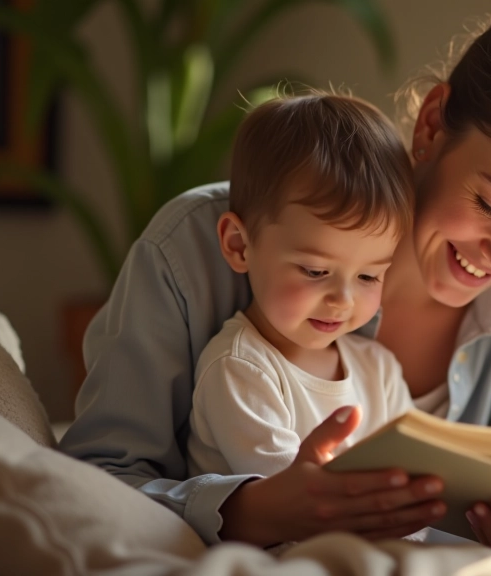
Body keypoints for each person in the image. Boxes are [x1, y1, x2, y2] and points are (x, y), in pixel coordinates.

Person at [60, 0, 491, 568]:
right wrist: (255, 509)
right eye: (490, 203)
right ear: (432, 126)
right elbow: (99, 476)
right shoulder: (194, 249)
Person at [185, 93, 415, 490]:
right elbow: (293, 503)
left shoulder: (379, 370)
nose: (343, 299)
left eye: (368, 277)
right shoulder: (240, 369)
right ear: (239, 245)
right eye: (315, 271)